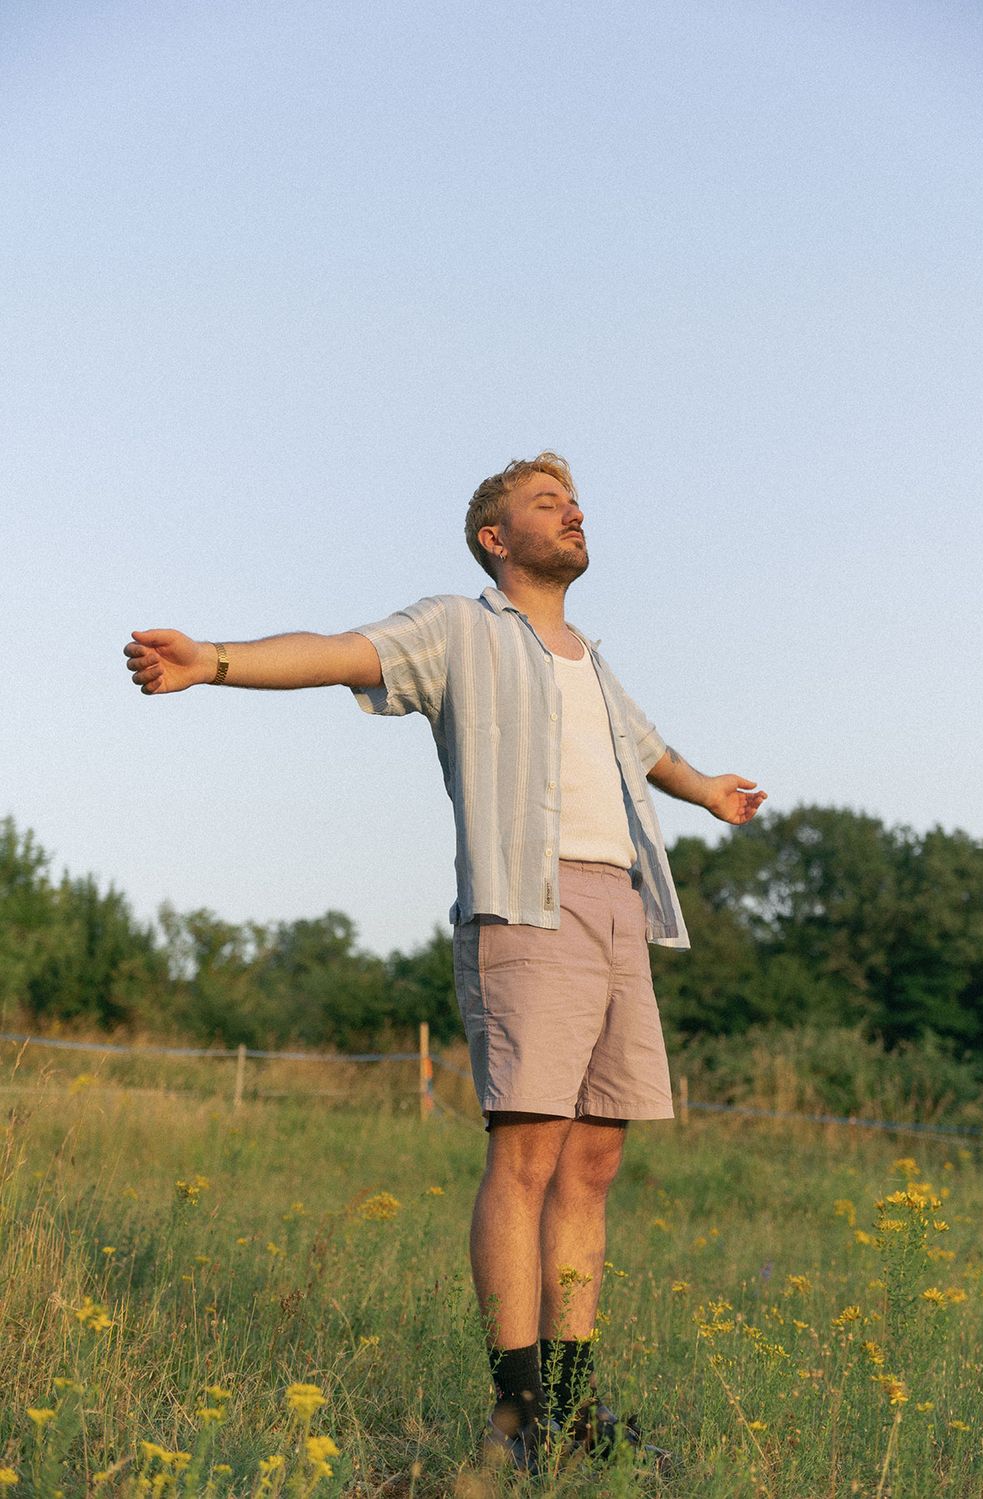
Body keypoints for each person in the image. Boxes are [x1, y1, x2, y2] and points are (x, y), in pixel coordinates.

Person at [123, 451, 766, 1474]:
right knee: (527, 1153)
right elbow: (338, 651)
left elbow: (643, 748)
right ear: (494, 538)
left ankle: (572, 1407)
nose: (573, 512)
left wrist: (707, 792)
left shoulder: (592, 663)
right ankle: (513, 1414)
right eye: (546, 503)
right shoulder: (456, 628)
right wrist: (217, 658)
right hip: (527, 904)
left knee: (594, 1161)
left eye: (575, 500)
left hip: (622, 907)